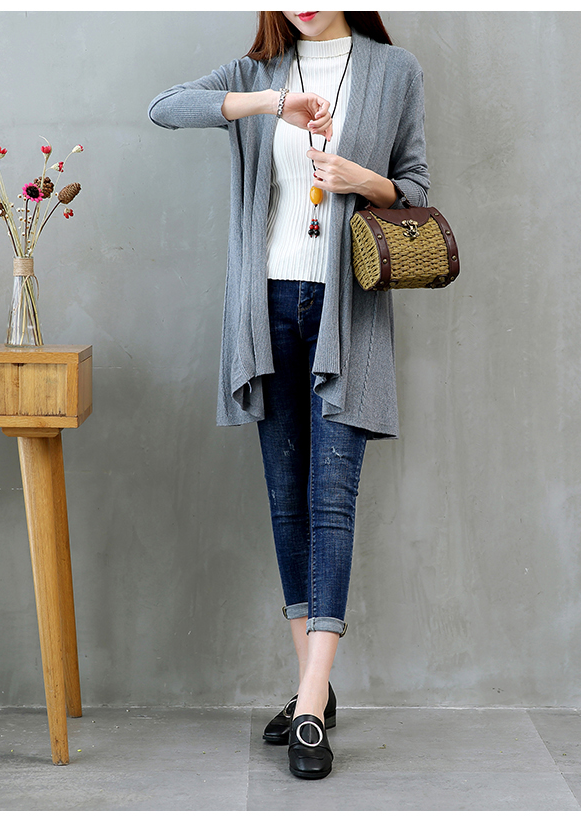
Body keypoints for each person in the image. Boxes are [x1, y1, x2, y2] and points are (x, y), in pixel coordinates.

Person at [149, 10, 429, 779]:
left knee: (331, 500)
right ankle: (316, 688)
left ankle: (308, 705)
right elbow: (166, 107)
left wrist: (362, 180)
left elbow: (415, 187)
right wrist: (274, 104)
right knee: (287, 504)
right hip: (266, 309)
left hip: (348, 314)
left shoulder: (394, 71)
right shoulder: (256, 72)